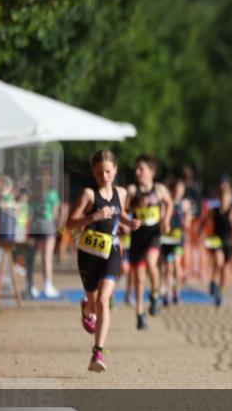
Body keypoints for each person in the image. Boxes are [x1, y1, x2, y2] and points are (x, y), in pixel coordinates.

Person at [66, 150, 140, 372]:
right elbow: (69, 224)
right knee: (93, 302)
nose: (104, 176)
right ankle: (86, 309)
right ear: (93, 173)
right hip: (88, 253)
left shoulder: (122, 193)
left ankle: (98, 352)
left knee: (103, 300)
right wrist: (93, 217)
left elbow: (120, 214)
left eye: (108, 171)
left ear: (115, 170)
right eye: (99, 173)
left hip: (112, 250)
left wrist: (129, 222)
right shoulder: (89, 195)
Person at [126, 155, 173, 330]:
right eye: (136, 169)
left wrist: (166, 220)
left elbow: (169, 203)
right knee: (138, 276)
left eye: (141, 169)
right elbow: (124, 209)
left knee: (151, 263)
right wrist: (136, 207)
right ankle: (140, 312)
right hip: (137, 236)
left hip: (153, 234)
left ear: (152, 172)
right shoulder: (132, 190)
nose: (137, 172)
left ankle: (155, 294)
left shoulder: (159, 190)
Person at [198, 186, 232, 307]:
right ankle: (213, 282)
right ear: (219, 199)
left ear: (230, 199)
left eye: (226, 199)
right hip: (216, 240)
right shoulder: (215, 210)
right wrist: (200, 231)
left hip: (228, 241)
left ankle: (220, 291)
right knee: (218, 261)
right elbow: (205, 220)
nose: (224, 201)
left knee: (224, 268)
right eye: (222, 198)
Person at [29, 172, 62, 298]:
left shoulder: (34, 194)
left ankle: (30, 285)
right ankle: (48, 285)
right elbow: (55, 213)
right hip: (47, 224)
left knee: (34, 256)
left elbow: (30, 211)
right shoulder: (52, 194)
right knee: (47, 256)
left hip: (35, 224)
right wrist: (58, 226)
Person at [160, 178, 192, 305]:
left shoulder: (185, 204)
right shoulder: (166, 203)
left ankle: (177, 293)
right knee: (168, 267)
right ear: (171, 190)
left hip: (178, 239)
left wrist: (186, 220)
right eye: (176, 189)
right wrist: (164, 224)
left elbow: (188, 223)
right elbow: (161, 220)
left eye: (181, 189)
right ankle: (167, 293)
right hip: (167, 240)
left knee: (177, 265)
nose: (178, 192)